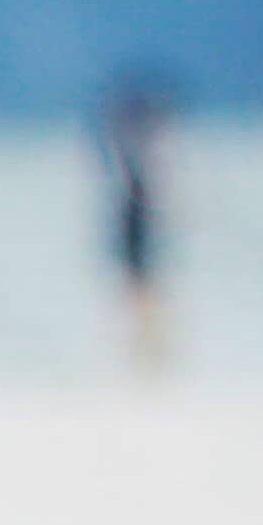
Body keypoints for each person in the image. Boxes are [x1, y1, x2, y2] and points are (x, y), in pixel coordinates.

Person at [99, 76, 173, 380]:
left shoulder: (127, 151)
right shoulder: (137, 153)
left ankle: (144, 351)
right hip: (135, 221)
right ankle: (145, 351)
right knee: (141, 289)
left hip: (135, 220)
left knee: (140, 289)